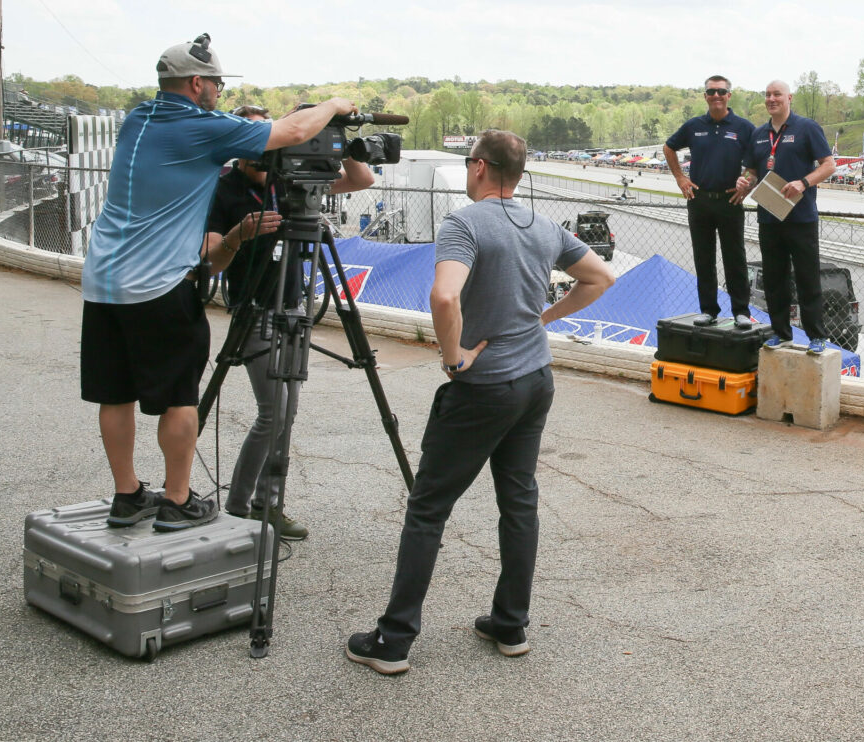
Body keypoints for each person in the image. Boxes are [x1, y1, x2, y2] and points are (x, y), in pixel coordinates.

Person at [345, 130, 615, 675]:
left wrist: (454, 357)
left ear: (479, 168)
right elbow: (601, 277)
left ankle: (393, 640)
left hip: (485, 386)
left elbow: (445, 295)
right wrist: (544, 320)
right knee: (518, 501)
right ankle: (510, 624)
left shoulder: (463, 223)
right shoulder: (542, 227)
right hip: (535, 379)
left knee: (428, 508)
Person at [80, 34, 356, 532]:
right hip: (159, 283)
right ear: (196, 82)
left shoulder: (138, 119)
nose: (219, 92)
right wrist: (335, 104)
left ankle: (128, 496)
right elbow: (290, 130)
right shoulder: (200, 127)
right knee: (181, 396)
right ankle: (178, 500)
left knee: (113, 393)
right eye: (216, 84)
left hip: (103, 281)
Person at [204, 104, 374, 539]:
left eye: (272, 136)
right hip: (254, 310)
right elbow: (209, 259)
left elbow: (362, 180)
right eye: (257, 140)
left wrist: (340, 135)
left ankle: (267, 503)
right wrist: (240, 233)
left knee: (287, 412)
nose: (265, 149)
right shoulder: (222, 190)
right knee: (274, 411)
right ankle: (241, 507)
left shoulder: (290, 179)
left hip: (293, 308)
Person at [734, 80, 835, 355]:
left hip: (801, 218)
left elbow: (829, 165)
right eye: (767, 95)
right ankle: (781, 333)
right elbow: (752, 172)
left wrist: (803, 182)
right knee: (775, 279)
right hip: (769, 217)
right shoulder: (758, 134)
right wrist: (744, 182)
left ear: (789, 97)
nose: (771, 99)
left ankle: (816, 335)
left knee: (807, 277)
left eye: (777, 94)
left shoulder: (807, 128)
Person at [663, 75, 754, 329]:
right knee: (703, 258)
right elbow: (668, 148)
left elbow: (756, 161)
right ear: (705, 96)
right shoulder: (693, 126)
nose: (716, 96)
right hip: (699, 200)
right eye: (711, 92)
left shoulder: (743, 127)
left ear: (729, 96)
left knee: (734, 258)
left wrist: (746, 183)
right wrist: (681, 177)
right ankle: (708, 310)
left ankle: (741, 312)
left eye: (721, 92)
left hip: (730, 202)